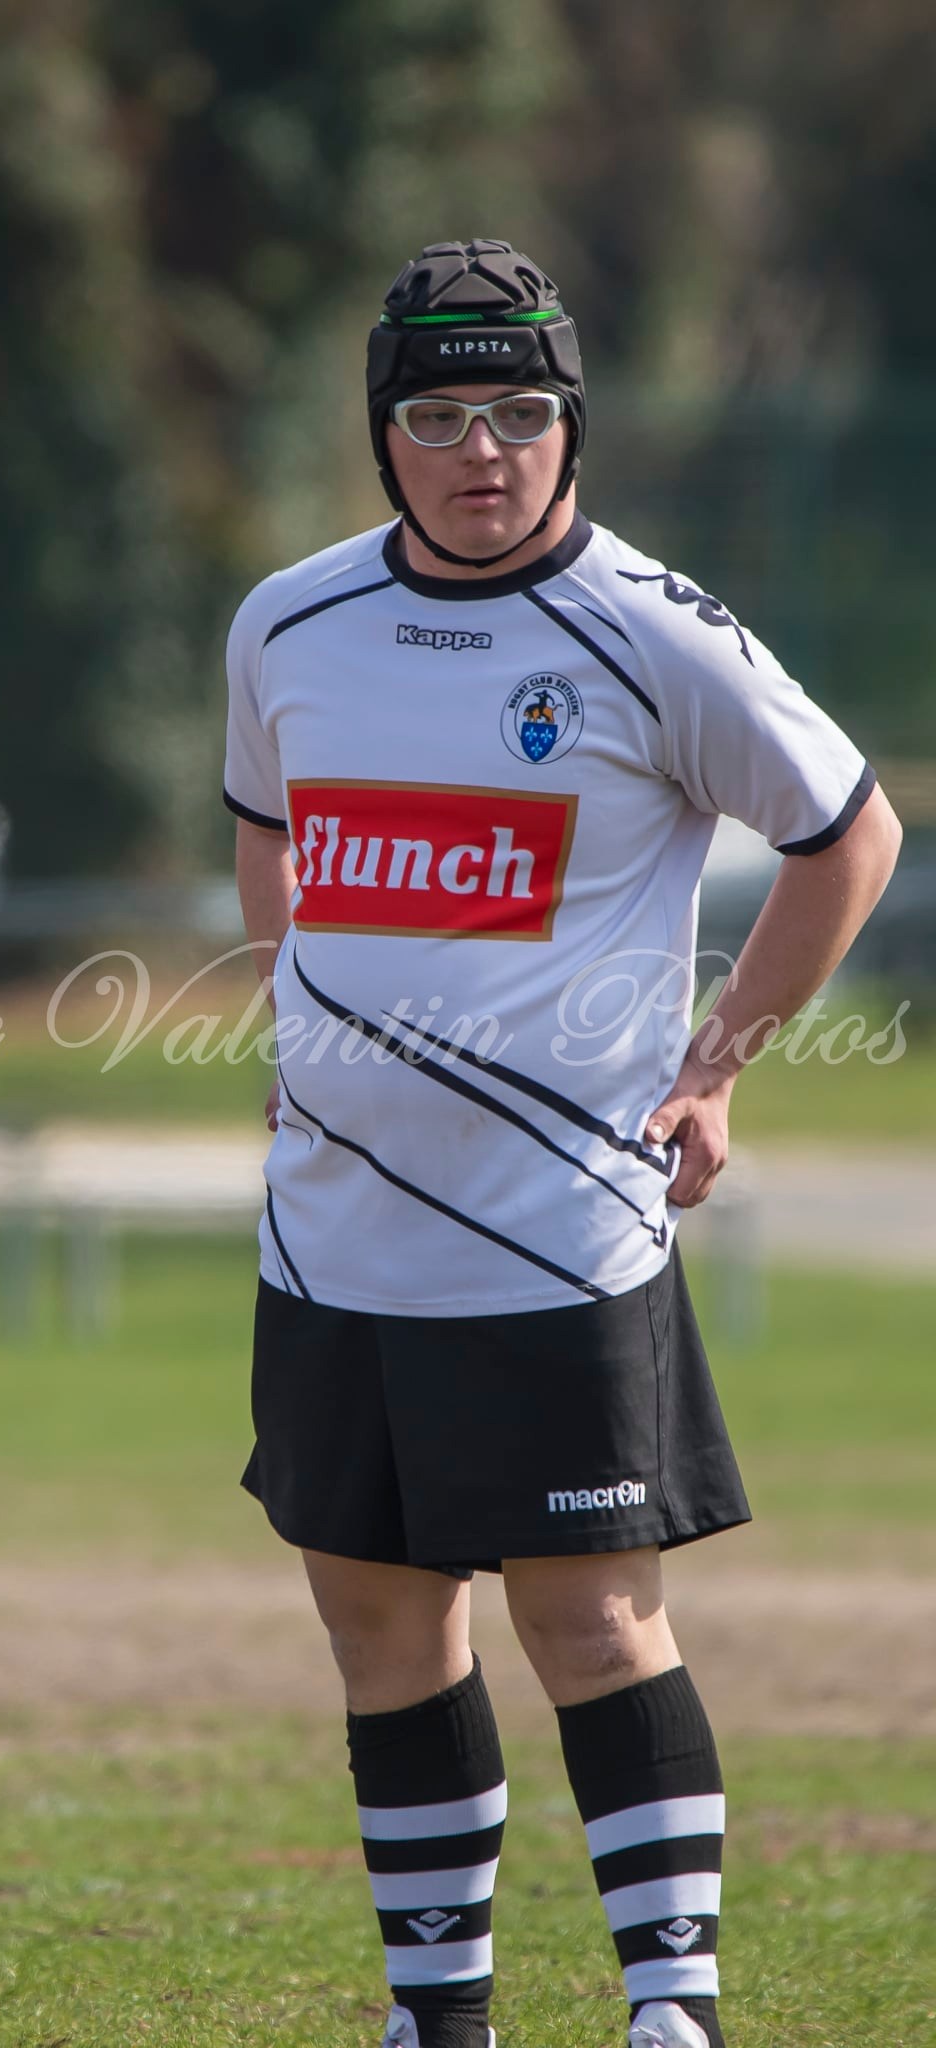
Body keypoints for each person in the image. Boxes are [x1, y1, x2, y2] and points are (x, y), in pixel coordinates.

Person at [223, 239, 902, 2048]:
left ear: (571, 425)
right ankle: (436, 2018)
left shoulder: (655, 631)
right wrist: (297, 1025)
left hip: (556, 1226)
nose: (483, 449)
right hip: (332, 1228)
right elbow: (269, 835)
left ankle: (669, 2014)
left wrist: (716, 1066)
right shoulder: (287, 623)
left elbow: (850, 832)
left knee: (591, 1621)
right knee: (378, 1621)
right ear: (383, 434)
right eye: (441, 414)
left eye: (520, 412)